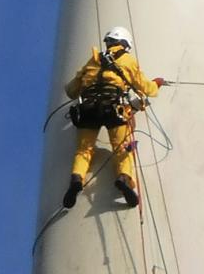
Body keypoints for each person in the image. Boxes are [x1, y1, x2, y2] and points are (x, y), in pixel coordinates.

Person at [61, 26, 163, 209]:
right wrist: (157, 84)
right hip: (113, 109)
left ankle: (76, 180)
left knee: (84, 150)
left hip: (87, 110)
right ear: (124, 44)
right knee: (122, 148)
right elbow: (144, 87)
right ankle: (123, 178)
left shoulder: (93, 60)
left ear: (108, 42)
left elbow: (71, 90)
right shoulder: (127, 60)